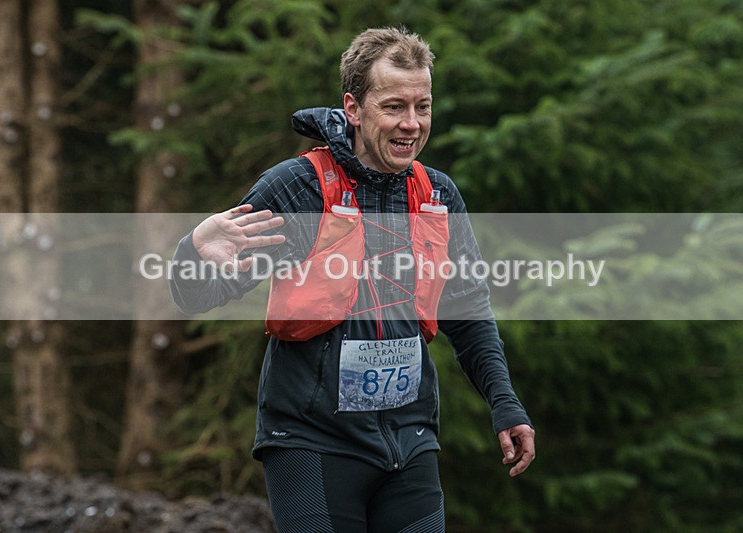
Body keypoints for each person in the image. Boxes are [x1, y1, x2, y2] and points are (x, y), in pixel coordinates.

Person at [170, 26, 535, 533]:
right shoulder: (297, 188)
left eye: (422, 106)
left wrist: (504, 401)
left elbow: (468, 309)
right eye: (394, 107)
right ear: (354, 108)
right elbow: (197, 297)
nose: (411, 124)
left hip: (410, 441)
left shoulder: (438, 196)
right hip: (311, 444)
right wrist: (191, 253)